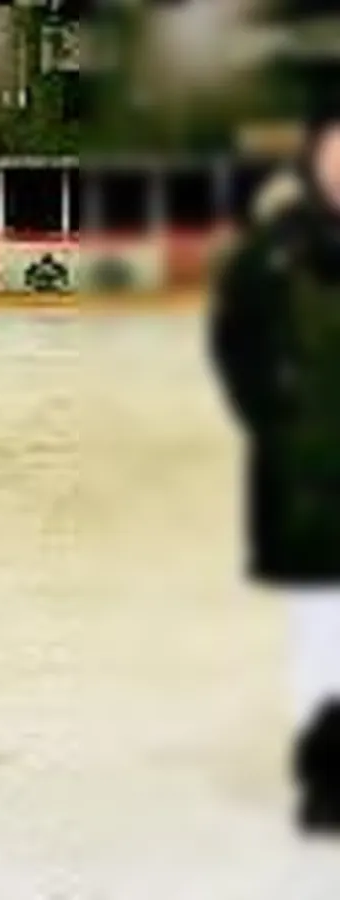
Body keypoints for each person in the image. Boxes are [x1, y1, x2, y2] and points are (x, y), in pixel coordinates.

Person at [210, 106, 340, 835]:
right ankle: (327, 770)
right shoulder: (272, 253)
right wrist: (281, 426)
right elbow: (237, 347)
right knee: (322, 630)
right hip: (309, 479)